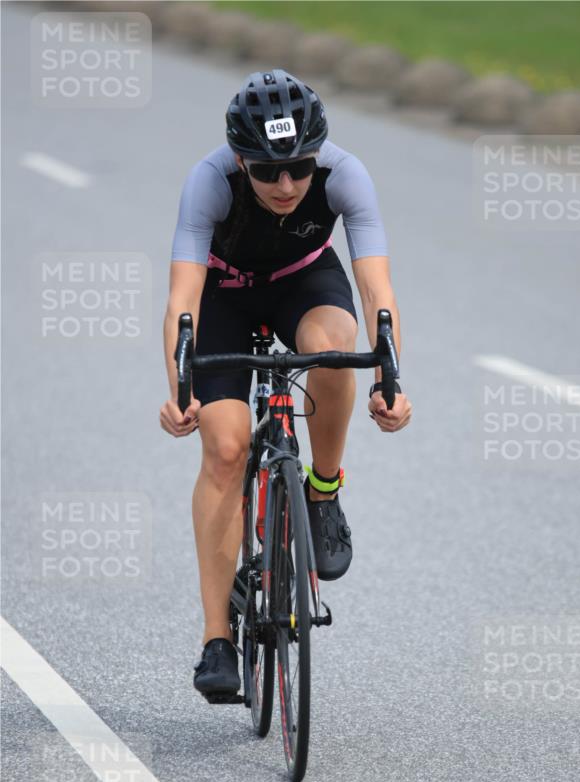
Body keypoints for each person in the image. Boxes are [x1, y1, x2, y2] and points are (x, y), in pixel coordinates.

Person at [160, 69, 412, 697]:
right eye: (266, 171)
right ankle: (216, 639)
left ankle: (322, 493)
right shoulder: (210, 181)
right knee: (224, 447)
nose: (285, 185)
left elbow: (379, 293)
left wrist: (390, 378)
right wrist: (182, 388)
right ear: (240, 159)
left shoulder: (345, 174)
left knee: (331, 352)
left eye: (298, 168)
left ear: (317, 155)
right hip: (226, 293)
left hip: (305, 281)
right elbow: (182, 302)